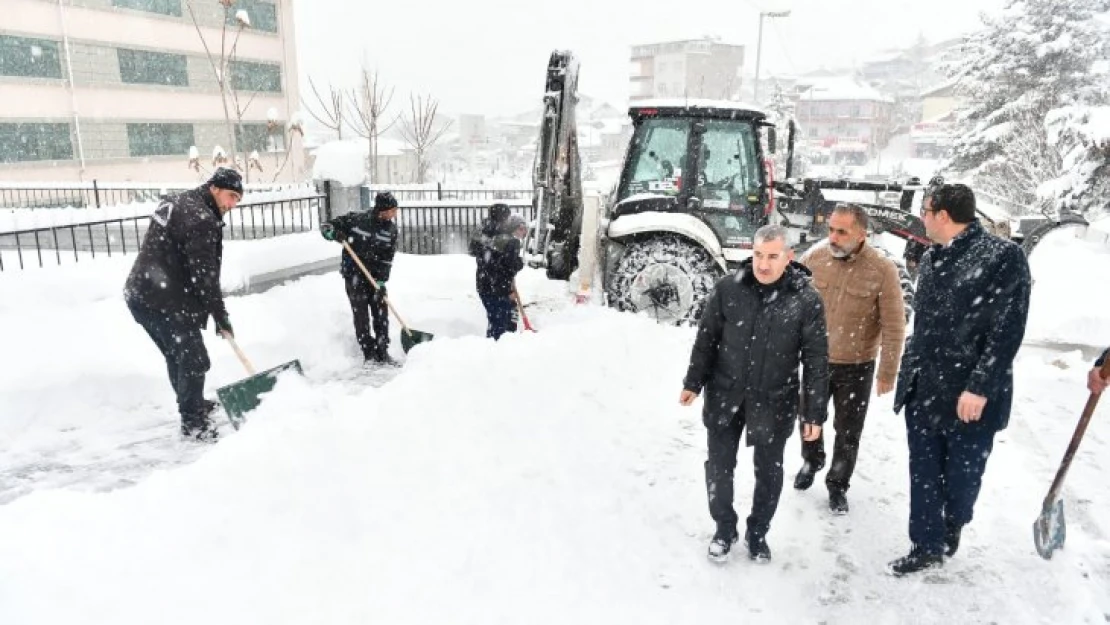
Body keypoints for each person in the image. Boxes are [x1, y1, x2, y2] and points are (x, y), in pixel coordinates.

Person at [888, 183, 1031, 576]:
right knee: (924, 471)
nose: (922, 218)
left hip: (969, 395)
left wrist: (980, 386)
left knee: (962, 479)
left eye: (926, 211)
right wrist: (907, 375)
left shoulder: (1004, 257)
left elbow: (1007, 329)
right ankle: (926, 543)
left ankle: (953, 522)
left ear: (943, 216)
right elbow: (925, 324)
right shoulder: (933, 258)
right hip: (925, 389)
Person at [680, 225, 829, 563]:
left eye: (773, 257)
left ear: (788, 258)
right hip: (725, 393)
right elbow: (707, 339)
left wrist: (814, 414)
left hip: (774, 399)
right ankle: (723, 528)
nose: (763, 264)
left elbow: (817, 360)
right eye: (759, 255)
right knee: (719, 467)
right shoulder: (729, 289)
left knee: (769, 472)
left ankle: (758, 533)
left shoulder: (806, 300)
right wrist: (693, 382)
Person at [794, 204, 907, 514]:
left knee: (848, 431)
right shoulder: (815, 259)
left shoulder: (882, 270)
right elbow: (791, 305)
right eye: (831, 229)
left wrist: (888, 372)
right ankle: (812, 460)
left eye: (841, 231)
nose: (833, 237)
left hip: (857, 366)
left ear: (862, 234)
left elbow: (895, 325)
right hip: (817, 361)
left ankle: (837, 484)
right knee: (807, 419)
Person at [124, 167, 243, 442]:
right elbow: (205, 277)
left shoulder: (177, 202)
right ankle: (194, 424)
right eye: (231, 196)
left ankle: (192, 405)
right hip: (163, 300)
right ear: (214, 188)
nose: (232, 204)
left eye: (237, 199)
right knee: (193, 359)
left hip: (142, 295)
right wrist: (221, 316)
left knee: (178, 355)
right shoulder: (201, 219)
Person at [320, 191, 399, 364]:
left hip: (375, 277)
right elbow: (327, 226)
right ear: (383, 210)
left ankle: (382, 351)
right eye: (392, 210)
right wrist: (333, 233)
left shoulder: (391, 230)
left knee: (381, 313)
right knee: (361, 315)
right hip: (354, 274)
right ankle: (369, 353)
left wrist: (381, 280)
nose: (395, 214)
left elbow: (388, 257)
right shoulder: (357, 220)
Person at [469, 207, 526, 340]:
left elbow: (476, 253)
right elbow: (509, 266)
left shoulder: (483, 234)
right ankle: (501, 349)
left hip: (484, 286)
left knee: (495, 321)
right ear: (505, 218)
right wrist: (519, 263)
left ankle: (493, 345)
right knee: (505, 324)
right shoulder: (509, 240)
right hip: (500, 288)